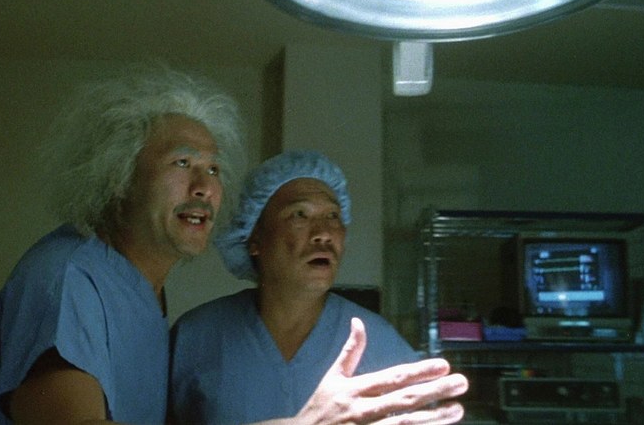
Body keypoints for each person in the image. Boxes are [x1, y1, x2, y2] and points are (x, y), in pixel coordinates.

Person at [0, 66, 467, 424]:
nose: (204, 185)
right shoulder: (70, 276)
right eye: (182, 163)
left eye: (214, 169)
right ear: (118, 177)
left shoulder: (142, 299)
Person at [169, 150, 468, 425]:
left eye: (332, 216)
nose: (323, 233)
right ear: (254, 238)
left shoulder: (379, 343)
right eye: (299, 214)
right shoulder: (197, 337)